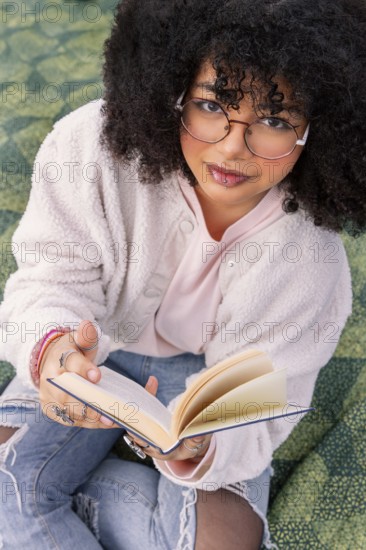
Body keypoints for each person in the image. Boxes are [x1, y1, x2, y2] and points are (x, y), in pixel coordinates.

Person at [0, 0, 365, 548]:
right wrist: (54, 351)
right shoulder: (87, 148)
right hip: (90, 348)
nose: (232, 146)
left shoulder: (309, 257)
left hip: (207, 382)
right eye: (212, 104)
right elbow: (49, 278)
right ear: (168, 87)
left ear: (321, 128)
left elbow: (267, 390)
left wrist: (204, 446)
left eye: (274, 120)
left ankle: (82, 493)